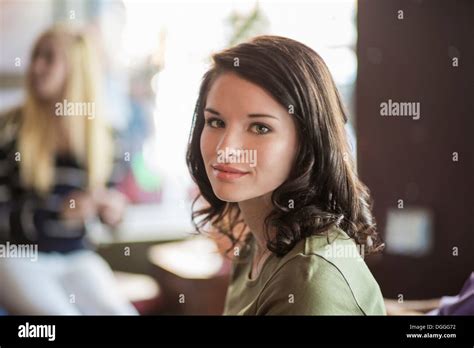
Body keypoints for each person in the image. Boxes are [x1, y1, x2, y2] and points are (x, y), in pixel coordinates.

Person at [186, 35, 386, 315]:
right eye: (216, 122)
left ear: (308, 142)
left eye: (259, 128)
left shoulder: (309, 279)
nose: (226, 150)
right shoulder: (255, 244)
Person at [0, 25, 137, 315]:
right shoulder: (9, 130)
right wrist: (58, 212)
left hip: (77, 257)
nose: (36, 67)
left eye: (49, 58)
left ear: (77, 70)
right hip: (16, 255)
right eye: (36, 56)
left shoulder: (107, 140)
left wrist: (113, 211)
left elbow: (112, 212)